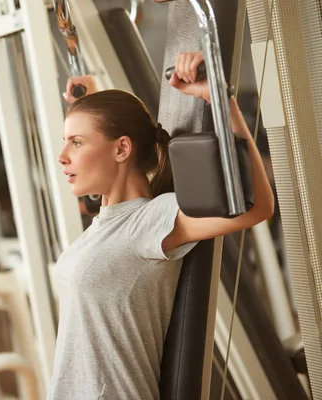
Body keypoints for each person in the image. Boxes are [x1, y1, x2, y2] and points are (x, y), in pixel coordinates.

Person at [49, 51, 275, 399]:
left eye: (76, 143)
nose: (62, 155)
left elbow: (256, 206)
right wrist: (93, 101)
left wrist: (219, 98)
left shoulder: (151, 221)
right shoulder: (107, 222)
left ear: (123, 148)